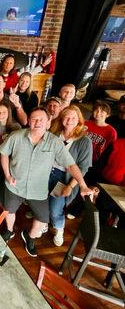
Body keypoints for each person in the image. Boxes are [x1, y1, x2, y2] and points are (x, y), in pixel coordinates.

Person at [0, 107, 94, 257]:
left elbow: (71, 165)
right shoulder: (16, 136)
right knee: (9, 211)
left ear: (48, 123)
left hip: (38, 189)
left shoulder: (55, 142)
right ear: (29, 121)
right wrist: (7, 174)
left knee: (43, 219)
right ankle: (9, 230)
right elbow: (4, 153)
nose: (37, 123)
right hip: (15, 185)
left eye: (41, 120)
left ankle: (29, 237)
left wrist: (82, 185)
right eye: (34, 119)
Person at [48, 105, 92, 246]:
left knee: (55, 209)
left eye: (74, 118)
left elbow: (83, 167)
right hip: (46, 173)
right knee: (42, 202)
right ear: (61, 119)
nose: (70, 120)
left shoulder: (85, 141)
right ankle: (42, 223)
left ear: (79, 120)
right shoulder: (54, 133)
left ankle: (59, 229)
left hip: (63, 179)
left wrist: (70, 186)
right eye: (67, 117)